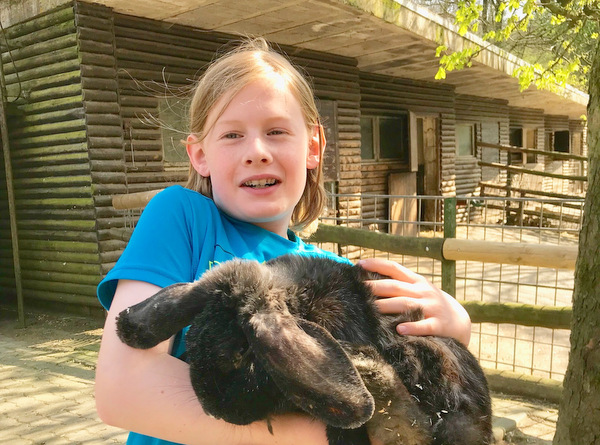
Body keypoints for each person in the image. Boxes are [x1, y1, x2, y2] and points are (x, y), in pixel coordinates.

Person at [95, 38, 471, 445]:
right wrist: (338, 436)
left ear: (313, 147)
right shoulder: (183, 217)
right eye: (232, 135)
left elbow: (394, 373)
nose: (256, 151)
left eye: (276, 131)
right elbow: (123, 389)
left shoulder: (338, 278)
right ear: (199, 154)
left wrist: (453, 329)